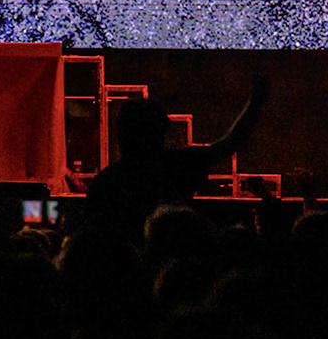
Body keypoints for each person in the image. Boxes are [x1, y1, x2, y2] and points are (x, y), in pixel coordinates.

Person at [84, 73, 271, 239]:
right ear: (160, 132)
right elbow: (231, 144)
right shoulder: (176, 165)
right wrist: (255, 103)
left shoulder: (106, 181)